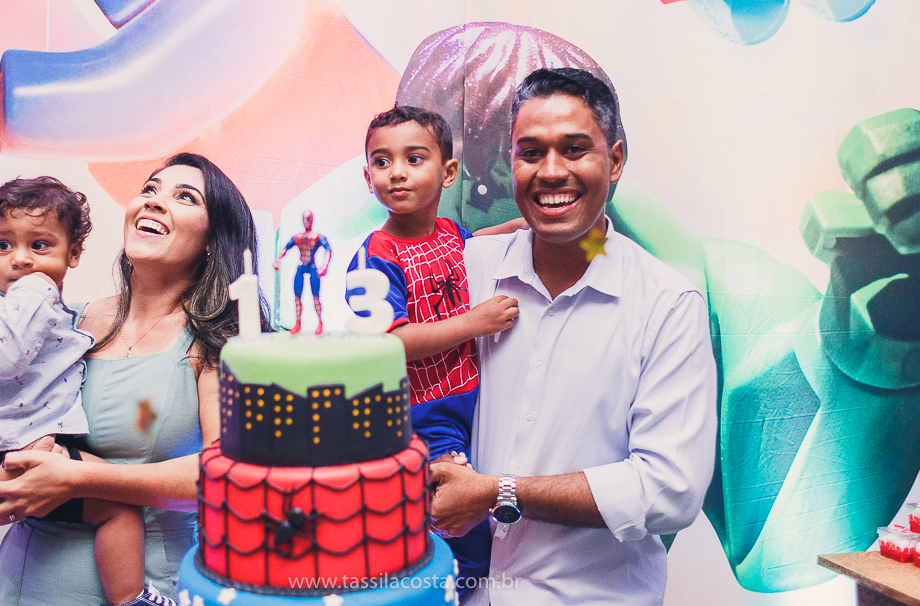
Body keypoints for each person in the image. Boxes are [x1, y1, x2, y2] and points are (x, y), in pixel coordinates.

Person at [429, 69, 716, 605]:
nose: (551, 172)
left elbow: (670, 490)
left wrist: (498, 491)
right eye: (530, 152)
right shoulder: (468, 269)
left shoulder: (662, 304)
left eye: (575, 149)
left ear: (616, 160)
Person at [0, 153, 269, 606]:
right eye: (150, 189)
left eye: (184, 196)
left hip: (143, 583)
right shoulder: (65, 322)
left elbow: (226, 478)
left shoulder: (219, 345)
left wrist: (78, 479)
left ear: (214, 238)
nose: (154, 202)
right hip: (19, 581)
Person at [0, 177, 154, 606]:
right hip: (5, 447)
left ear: (73, 254)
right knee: (120, 511)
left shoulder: (56, 312)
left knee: (115, 506)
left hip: (15, 443)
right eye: (3, 245)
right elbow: (2, 359)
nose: (19, 260)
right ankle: (131, 600)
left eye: (39, 246)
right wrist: (38, 286)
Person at [346, 105, 519, 590]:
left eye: (413, 158)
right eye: (382, 162)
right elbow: (390, 342)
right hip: (420, 414)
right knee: (462, 528)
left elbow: (466, 247)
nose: (396, 172)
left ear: (447, 173)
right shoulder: (372, 259)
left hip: (467, 403)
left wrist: (511, 229)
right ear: (367, 176)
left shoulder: (448, 234)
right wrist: (472, 323)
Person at [273, 209, 332, 333]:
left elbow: (328, 249)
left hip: (312, 266)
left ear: (312, 220)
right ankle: (298, 324)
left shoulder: (317, 237)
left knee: (315, 297)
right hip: (302, 266)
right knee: (297, 296)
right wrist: (278, 260)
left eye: (309, 218)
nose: (307, 221)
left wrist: (324, 266)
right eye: (305, 219)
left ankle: (320, 323)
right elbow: (285, 248)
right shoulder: (298, 238)